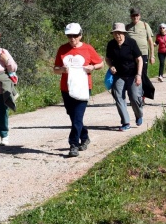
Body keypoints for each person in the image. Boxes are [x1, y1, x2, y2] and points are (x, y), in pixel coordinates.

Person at [53, 23, 103, 157]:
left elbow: (100, 63)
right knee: (73, 115)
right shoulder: (62, 49)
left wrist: (92, 68)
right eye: (69, 36)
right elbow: (55, 69)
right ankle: (85, 136)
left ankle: (73, 144)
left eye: (75, 36)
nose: (72, 38)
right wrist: (62, 70)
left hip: (83, 87)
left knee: (77, 117)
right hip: (66, 88)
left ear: (80, 35)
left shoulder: (88, 48)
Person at [105, 22, 144, 130]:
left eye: (120, 33)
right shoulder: (111, 44)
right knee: (118, 97)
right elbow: (107, 58)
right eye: (116, 33)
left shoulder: (131, 43)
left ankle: (139, 115)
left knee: (134, 97)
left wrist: (139, 75)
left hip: (132, 75)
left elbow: (139, 59)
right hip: (119, 76)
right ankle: (125, 122)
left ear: (124, 33)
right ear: (113, 34)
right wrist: (111, 66)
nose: (118, 35)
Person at [126, 8, 155, 100]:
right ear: (131, 16)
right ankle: (133, 96)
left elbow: (150, 41)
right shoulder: (127, 27)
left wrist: (152, 55)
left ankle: (142, 96)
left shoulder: (145, 25)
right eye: (134, 15)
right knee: (132, 74)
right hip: (131, 55)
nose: (135, 17)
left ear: (140, 15)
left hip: (143, 53)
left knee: (142, 74)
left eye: (137, 15)